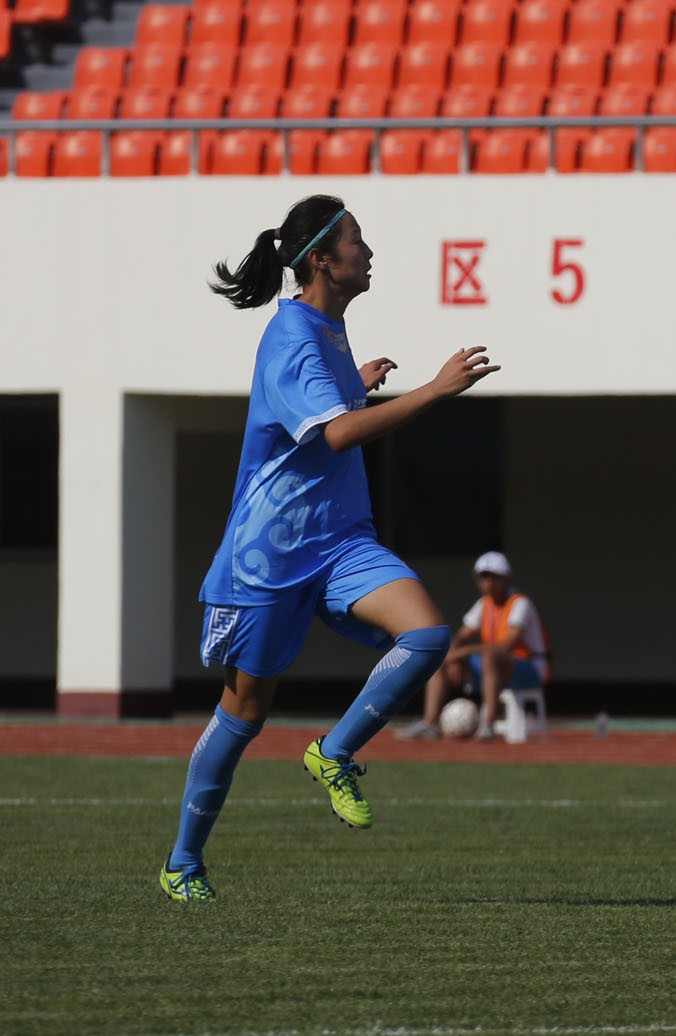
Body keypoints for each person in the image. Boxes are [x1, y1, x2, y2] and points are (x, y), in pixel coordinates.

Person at [158, 196, 500, 902]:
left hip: (340, 543)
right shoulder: (293, 337)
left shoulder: (329, 329)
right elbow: (338, 434)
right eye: (357, 241)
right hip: (269, 560)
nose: (368, 252)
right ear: (322, 260)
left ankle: (333, 751)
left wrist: (355, 381)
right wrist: (435, 390)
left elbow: (327, 416)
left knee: (429, 633)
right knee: (245, 715)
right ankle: (183, 865)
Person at [398, 550, 552, 741]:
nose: (488, 583)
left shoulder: (520, 603)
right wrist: (453, 656)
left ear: (506, 579)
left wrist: (465, 652)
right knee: (441, 659)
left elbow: (507, 646)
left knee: (489, 658)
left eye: (494, 577)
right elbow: (460, 637)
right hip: (494, 665)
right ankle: (429, 723)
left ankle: (488, 725)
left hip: (529, 667)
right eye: (483, 577)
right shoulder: (484, 604)